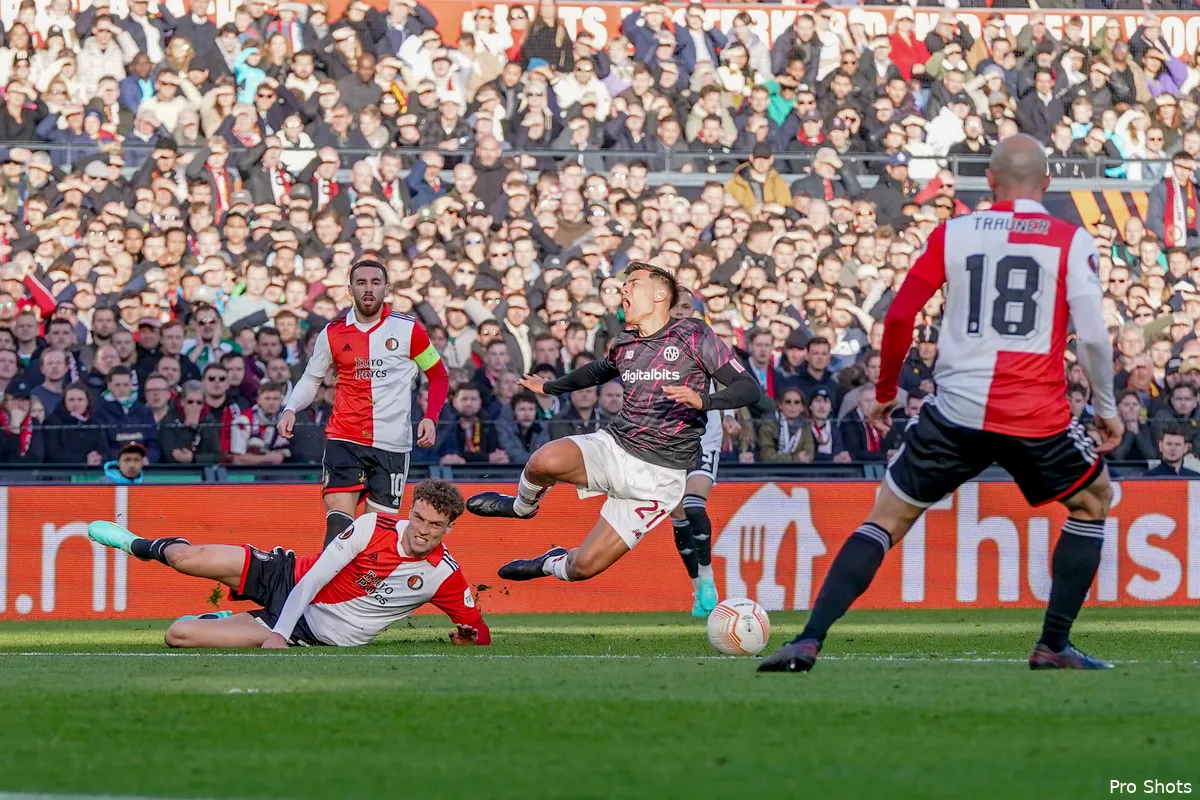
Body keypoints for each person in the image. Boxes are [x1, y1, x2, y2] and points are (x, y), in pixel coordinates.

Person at [759, 135, 1122, 673]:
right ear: (1047, 183)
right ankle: (1053, 645)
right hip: (1034, 415)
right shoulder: (1071, 240)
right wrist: (1106, 407)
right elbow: (1092, 336)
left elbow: (901, 315)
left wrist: (884, 394)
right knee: (1094, 501)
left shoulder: (955, 232)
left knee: (886, 518)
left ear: (990, 182)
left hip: (953, 412)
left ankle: (809, 639)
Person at [467, 262, 761, 585]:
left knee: (581, 568)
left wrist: (704, 401)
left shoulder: (694, 334)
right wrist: (549, 387)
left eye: (633, 283)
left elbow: (748, 387)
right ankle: (522, 507)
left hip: (660, 478)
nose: (624, 289)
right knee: (543, 460)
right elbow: (597, 371)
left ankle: (549, 563)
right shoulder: (626, 341)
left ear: (660, 294)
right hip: (616, 446)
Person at [85, 480, 490, 649]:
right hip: (290, 575)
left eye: (435, 525)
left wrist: (470, 639)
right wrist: (276, 634)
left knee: (178, 635)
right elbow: (313, 578)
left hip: (309, 632)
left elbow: (481, 632)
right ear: (412, 509)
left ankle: (225, 616)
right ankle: (135, 543)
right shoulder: (373, 526)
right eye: (418, 518)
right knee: (182, 557)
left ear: (449, 528)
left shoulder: (444, 575)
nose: (422, 531)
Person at [278, 260, 449, 546]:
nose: (368, 289)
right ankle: (327, 591)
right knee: (339, 533)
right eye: (361, 283)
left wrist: (431, 416)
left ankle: (362, 591)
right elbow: (311, 379)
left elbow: (439, 376)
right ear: (350, 290)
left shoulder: (410, 330)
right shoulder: (332, 333)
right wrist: (290, 408)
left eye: (375, 282)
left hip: (392, 444)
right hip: (344, 437)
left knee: (375, 540)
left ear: (387, 288)